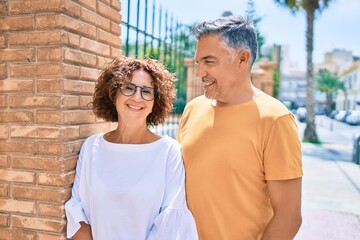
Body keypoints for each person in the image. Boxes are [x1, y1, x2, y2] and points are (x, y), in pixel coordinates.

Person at [176, 15, 303, 240]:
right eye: (198, 63)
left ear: (243, 59)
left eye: (209, 61)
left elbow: (289, 216)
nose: (200, 72)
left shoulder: (276, 120)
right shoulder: (192, 109)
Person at [65, 56, 198, 240]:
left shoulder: (168, 152)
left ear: (155, 102)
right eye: (128, 88)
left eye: (146, 91)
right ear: (113, 93)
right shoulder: (91, 147)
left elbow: (171, 226)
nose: (137, 97)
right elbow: (76, 212)